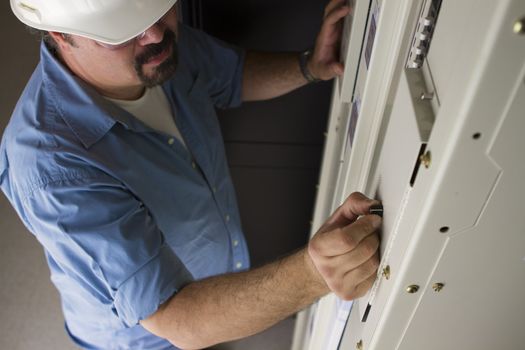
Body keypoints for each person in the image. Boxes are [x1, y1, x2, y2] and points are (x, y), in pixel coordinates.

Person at [0, 0, 381, 349]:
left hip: (210, 283)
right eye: (124, 30)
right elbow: (176, 317)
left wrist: (308, 66)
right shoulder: (52, 168)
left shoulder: (155, 45)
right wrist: (314, 275)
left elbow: (227, 74)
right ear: (61, 36)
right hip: (146, 338)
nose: (154, 33)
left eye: (157, 7)